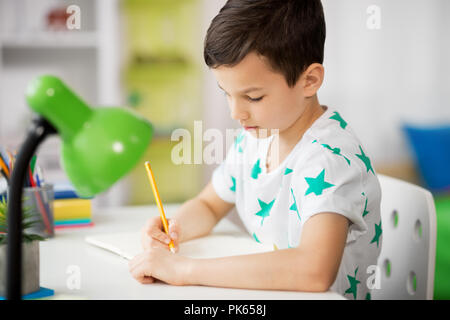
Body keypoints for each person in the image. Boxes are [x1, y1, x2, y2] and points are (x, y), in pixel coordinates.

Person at [129, 0, 382, 300]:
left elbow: (313, 271)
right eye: (227, 94)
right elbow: (210, 206)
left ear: (309, 81)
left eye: (253, 97)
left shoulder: (328, 159)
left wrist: (185, 271)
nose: (237, 113)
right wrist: (173, 228)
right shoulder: (257, 136)